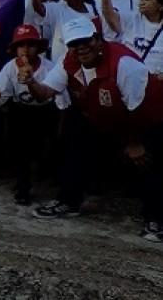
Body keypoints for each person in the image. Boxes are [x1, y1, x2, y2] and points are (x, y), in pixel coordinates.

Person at [23, 18, 163, 242]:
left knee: (149, 160)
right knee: (76, 142)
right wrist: (31, 82)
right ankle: (69, 201)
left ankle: (155, 217)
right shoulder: (68, 61)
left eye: (86, 41)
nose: (81, 47)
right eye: (74, 43)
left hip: (147, 118)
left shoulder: (125, 65)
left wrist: (134, 143)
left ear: (98, 40)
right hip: (103, 117)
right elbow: (45, 93)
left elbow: (140, 110)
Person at [0, 24, 67, 205]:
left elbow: (60, 96)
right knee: (19, 149)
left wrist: (60, 119)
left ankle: (46, 178)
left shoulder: (48, 67)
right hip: (21, 111)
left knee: (43, 149)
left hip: (44, 112)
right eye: (21, 45)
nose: (25, 49)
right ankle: (23, 186)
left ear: (38, 48)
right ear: (15, 49)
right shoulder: (10, 67)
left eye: (30, 45)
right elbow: (0, 89)